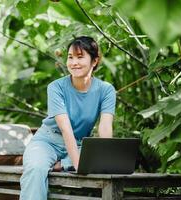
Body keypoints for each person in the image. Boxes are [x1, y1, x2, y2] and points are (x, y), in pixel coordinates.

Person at [20, 36, 116, 200]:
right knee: (36, 168)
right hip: (47, 142)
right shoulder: (56, 87)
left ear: (94, 61)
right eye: (70, 57)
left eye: (80, 57)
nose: (74, 62)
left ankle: (61, 165)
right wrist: (78, 165)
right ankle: (60, 164)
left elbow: (105, 127)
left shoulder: (106, 90)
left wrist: (105, 159)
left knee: (97, 162)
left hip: (79, 144)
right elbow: (65, 129)